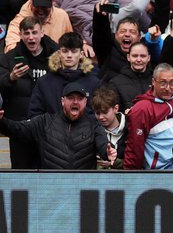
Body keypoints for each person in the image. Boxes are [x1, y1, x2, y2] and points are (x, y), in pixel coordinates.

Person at [0, 82, 113, 169]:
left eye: (79, 98)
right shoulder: (44, 121)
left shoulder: (93, 124)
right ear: (62, 101)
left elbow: (103, 145)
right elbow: (17, 129)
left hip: (83, 189)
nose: (75, 102)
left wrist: (108, 152)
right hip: (51, 188)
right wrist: (1, 121)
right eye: (70, 98)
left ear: (85, 102)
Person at [0, 16, 59, 168]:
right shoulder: (9, 58)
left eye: (34, 32)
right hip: (20, 126)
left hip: (48, 128)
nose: (31, 37)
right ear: (20, 35)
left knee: (48, 174)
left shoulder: (56, 56)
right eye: (26, 33)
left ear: (42, 33)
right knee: (21, 175)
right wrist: (10, 78)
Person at [123, 63, 173, 170]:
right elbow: (134, 147)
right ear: (153, 82)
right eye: (163, 83)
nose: (168, 88)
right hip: (157, 173)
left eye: (172, 83)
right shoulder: (142, 108)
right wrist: (130, 176)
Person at [28, 32, 100, 117]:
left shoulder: (93, 83)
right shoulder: (44, 82)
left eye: (74, 51)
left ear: (81, 54)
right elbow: (34, 115)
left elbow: (98, 114)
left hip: (85, 130)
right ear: (59, 53)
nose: (69, 55)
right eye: (65, 51)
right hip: (51, 129)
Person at [5, 0, 73, 53]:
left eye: (44, 6)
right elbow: (11, 50)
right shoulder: (18, 22)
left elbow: (72, 42)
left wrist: (83, 44)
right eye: (37, 5)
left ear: (53, 1)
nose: (41, 10)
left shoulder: (62, 16)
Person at [108, 42, 153, 112]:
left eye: (143, 56)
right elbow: (113, 111)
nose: (138, 60)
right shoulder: (115, 83)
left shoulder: (156, 80)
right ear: (128, 57)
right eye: (135, 56)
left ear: (149, 58)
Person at [92, 86, 127, 169]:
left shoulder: (130, 128)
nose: (100, 117)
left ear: (115, 108)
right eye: (97, 113)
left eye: (105, 112)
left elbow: (136, 160)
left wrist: (115, 163)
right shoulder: (92, 130)